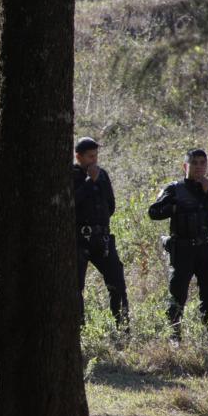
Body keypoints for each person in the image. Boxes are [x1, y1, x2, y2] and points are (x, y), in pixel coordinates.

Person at [148, 149, 208, 345]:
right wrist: (175, 207)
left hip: (205, 249)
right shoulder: (174, 189)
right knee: (177, 295)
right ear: (185, 166)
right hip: (183, 249)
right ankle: (175, 337)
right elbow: (153, 212)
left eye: (203, 163)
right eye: (194, 163)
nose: (199, 167)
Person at [72, 136, 129, 331]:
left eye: (96, 156)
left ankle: (123, 328)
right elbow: (70, 204)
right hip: (79, 239)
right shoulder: (70, 175)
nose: (94, 160)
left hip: (102, 238)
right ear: (78, 156)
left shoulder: (102, 175)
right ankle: (79, 331)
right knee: (75, 287)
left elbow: (110, 206)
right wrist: (89, 182)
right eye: (90, 156)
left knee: (117, 282)